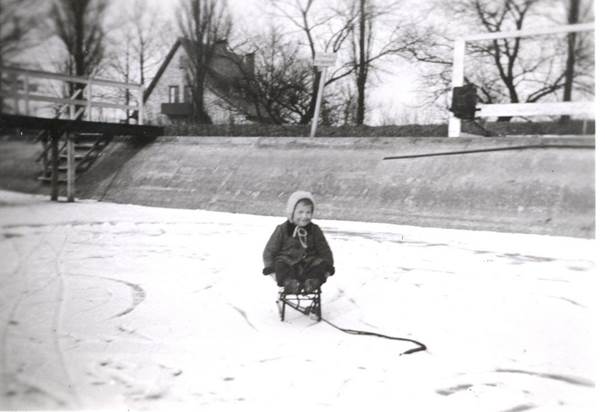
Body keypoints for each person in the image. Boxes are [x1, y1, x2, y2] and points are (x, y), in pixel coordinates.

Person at [262, 191, 335, 294]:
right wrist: (269, 268)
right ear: (292, 212)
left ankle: (312, 282)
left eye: (308, 212)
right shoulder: (282, 229)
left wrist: (328, 266)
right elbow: (270, 250)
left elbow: (325, 250)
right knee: (280, 265)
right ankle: (290, 283)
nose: (304, 216)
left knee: (320, 265)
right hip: (288, 263)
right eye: (300, 212)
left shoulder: (315, 230)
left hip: (309, 263)